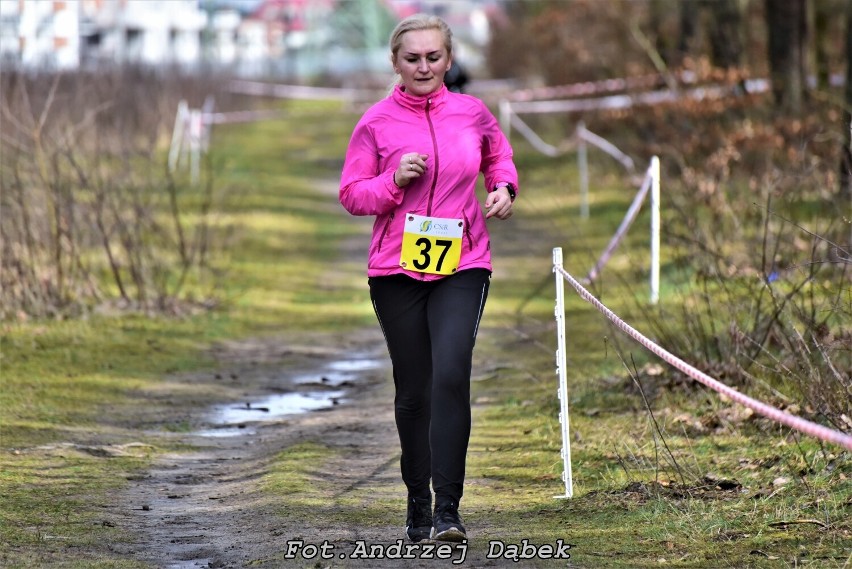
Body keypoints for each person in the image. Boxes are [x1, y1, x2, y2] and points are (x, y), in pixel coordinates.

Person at [339, 13, 518, 543]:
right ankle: (418, 503)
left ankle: (448, 511)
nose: (423, 66)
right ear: (395, 62)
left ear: (449, 59)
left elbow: (499, 155)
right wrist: (392, 182)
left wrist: (504, 188)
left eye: (433, 57)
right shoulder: (375, 122)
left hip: (463, 263)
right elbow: (352, 194)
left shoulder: (472, 112)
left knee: (451, 374)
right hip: (396, 269)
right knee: (414, 390)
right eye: (412, 58)